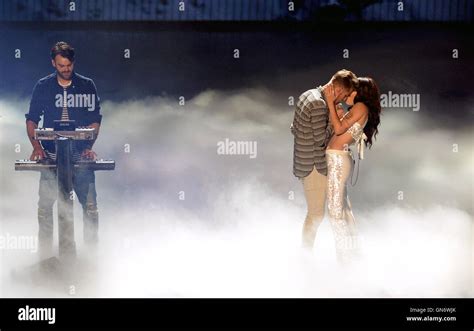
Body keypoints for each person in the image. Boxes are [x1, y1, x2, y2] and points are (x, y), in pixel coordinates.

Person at [25, 41, 102, 259]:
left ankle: (91, 259)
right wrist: (36, 147)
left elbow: (95, 120)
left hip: (79, 156)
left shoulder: (87, 85)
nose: (65, 70)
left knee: (91, 209)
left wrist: (88, 146)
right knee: (45, 210)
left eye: (68, 65)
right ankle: (46, 258)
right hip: (51, 155)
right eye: (61, 66)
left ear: (73, 63)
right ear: (53, 64)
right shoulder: (43, 86)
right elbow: (32, 119)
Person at [290, 69, 358, 250]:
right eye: (344, 96)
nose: (343, 101)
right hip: (314, 166)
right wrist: (334, 118)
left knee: (329, 211)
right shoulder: (320, 104)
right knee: (316, 214)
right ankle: (306, 256)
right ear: (337, 90)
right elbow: (321, 140)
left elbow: (293, 128)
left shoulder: (308, 94)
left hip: (305, 161)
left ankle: (309, 254)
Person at [324, 77, 382, 264]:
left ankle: (345, 261)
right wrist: (337, 107)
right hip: (338, 159)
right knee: (343, 211)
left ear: (359, 93)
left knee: (335, 213)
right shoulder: (358, 110)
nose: (347, 94)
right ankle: (352, 257)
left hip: (338, 161)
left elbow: (340, 129)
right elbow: (339, 128)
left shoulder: (360, 107)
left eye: (351, 91)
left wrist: (330, 102)